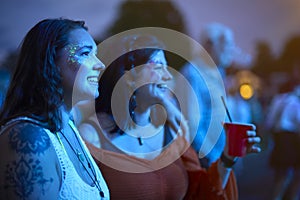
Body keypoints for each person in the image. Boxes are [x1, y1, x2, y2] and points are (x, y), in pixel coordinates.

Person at [78, 34, 261, 199]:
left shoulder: (171, 129)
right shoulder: (93, 136)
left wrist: (227, 158)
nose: (167, 76)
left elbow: (199, 191)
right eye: (158, 67)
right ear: (129, 76)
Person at [0, 18, 109, 199]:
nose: (100, 64)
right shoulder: (29, 138)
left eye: (95, 54)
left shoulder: (68, 126)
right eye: (85, 53)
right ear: (50, 61)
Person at [177, 23, 238, 168]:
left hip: (220, 158)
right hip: (205, 161)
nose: (231, 49)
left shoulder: (217, 72)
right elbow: (191, 123)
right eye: (226, 43)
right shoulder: (192, 73)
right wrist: (209, 158)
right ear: (209, 45)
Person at [265, 83, 300, 200]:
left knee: (280, 171)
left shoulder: (278, 99)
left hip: (279, 137)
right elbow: (298, 122)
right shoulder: (295, 102)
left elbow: (269, 122)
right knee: (290, 172)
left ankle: (278, 196)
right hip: (291, 139)